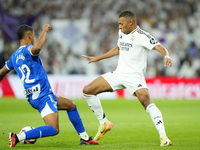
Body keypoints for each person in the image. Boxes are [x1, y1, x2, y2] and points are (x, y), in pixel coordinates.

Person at [0, 24, 100, 147]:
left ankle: (84, 138)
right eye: (33, 36)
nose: (34, 38)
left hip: (35, 95)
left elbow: (2, 73)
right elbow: (36, 48)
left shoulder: (13, 57)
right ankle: (18, 137)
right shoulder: (28, 50)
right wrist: (44, 31)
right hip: (42, 95)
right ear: (29, 35)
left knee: (71, 105)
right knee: (53, 129)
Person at [82, 11, 172, 146]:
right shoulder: (122, 32)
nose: (119, 27)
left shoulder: (142, 36)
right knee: (88, 90)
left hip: (134, 76)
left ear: (131, 22)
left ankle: (163, 137)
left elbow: (160, 47)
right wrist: (97, 58)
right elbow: (118, 49)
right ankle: (104, 123)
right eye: (119, 24)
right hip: (118, 74)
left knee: (146, 101)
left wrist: (166, 55)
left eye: (121, 24)